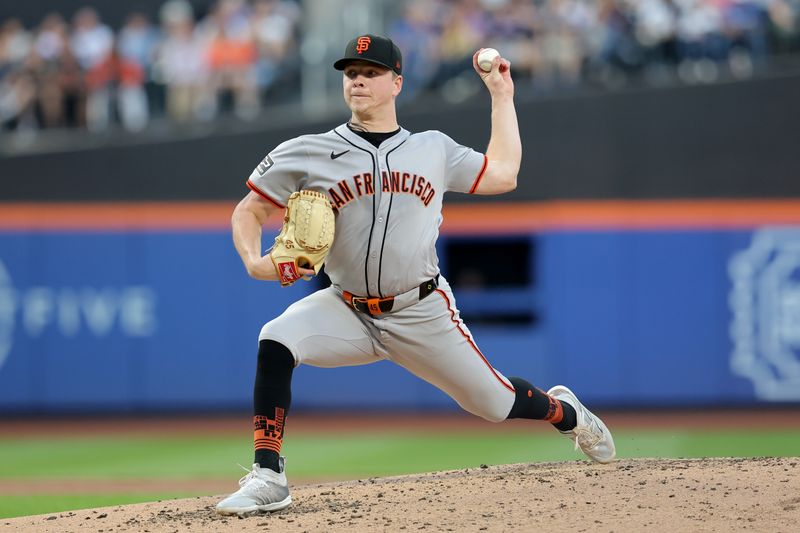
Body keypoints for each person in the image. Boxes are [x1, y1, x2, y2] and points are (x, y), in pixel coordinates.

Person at [216, 33, 615, 516]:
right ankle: (268, 475)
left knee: (494, 403)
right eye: (351, 74)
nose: (358, 81)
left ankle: (566, 413)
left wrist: (502, 96)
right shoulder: (308, 151)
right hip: (346, 307)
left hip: (421, 309)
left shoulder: (432, 149)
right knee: (276, 338)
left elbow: (503, 174)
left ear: (397, 82)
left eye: (371, 73)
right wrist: (253, 260)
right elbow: (249, 210)